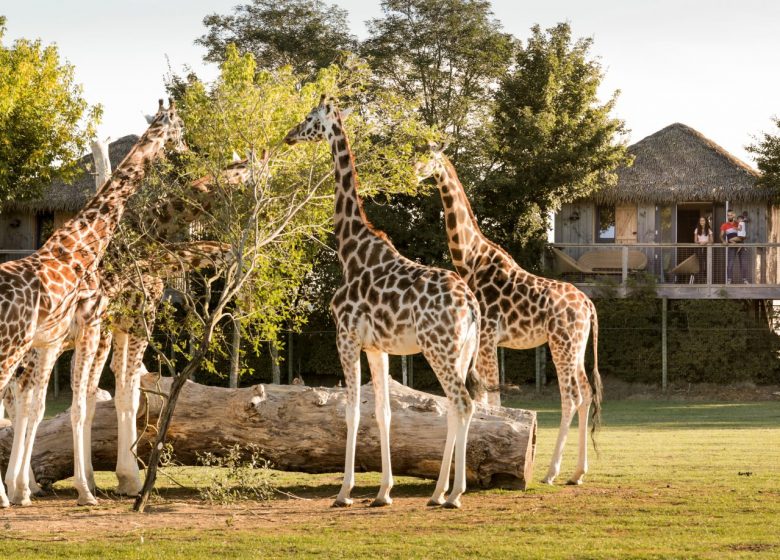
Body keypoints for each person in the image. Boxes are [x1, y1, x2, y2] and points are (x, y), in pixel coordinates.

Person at [720, 211, 748, 283]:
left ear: (734, 215)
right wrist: (723, 241)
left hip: (741, 244)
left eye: (731, 215)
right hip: (732, 245)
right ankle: (729, 280)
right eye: (728, 215)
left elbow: (743, 233)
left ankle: (744, 279)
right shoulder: (724, 225)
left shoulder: (739, 223)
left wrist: (743, 237)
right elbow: (721, 235)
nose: (729, 216)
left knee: (743, 262)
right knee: (730, 263)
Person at [693, 216, 712, 283]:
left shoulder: (709, 230)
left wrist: (705, 242)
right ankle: (699, 278)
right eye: (701, 220)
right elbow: (695, 240)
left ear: (706, 221)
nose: (702, 222)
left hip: (707, 248)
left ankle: (707, 279)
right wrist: (700, 242)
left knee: (707, 263)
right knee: (700, 263)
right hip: (699, 247)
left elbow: (712, 240)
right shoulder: (697, 229)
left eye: (703, 220)